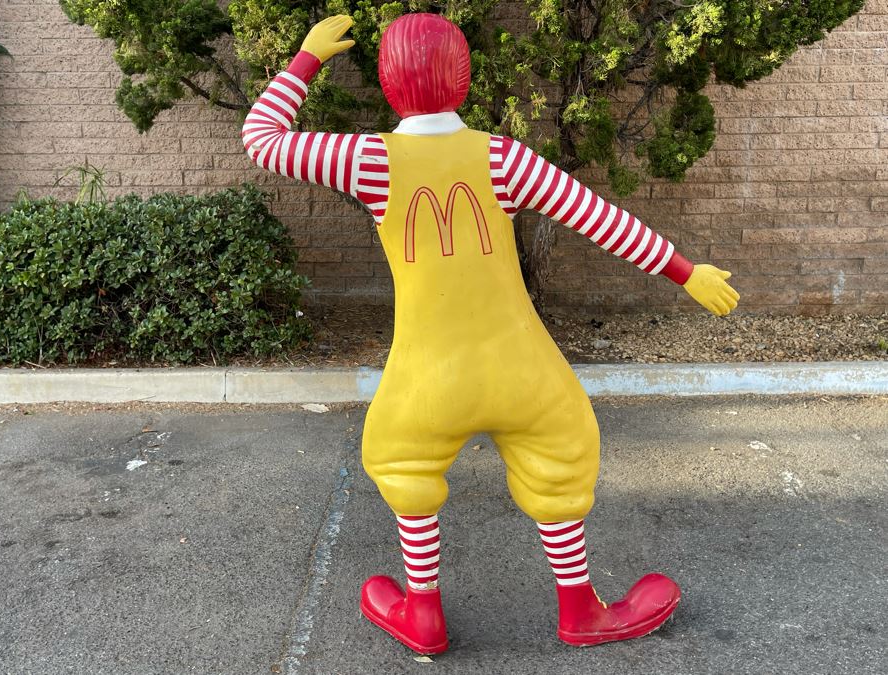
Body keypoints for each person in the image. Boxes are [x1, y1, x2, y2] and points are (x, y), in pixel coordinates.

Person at [243, 13, 739, 655]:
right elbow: (601, 220)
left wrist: (306, 60)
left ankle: (423, 613)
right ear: (465, 80)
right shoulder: (501, 158)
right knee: (561, 460)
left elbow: (261, 137)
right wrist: (686, 271)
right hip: (522, 373)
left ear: (389, 86)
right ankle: (581, 611)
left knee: (403, 464)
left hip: (427, 380)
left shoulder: (368, 161)